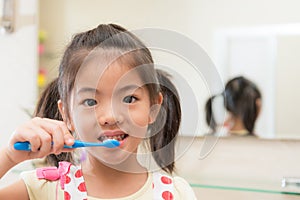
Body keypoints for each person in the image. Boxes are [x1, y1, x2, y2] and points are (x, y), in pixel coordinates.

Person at [0, 23, 196, 199]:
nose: (110, 117)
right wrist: (9, 156)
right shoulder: (44, 189)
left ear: (154, 107)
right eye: (90, 101)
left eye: (129, 99)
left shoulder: (177, 193)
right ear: (67, 114)